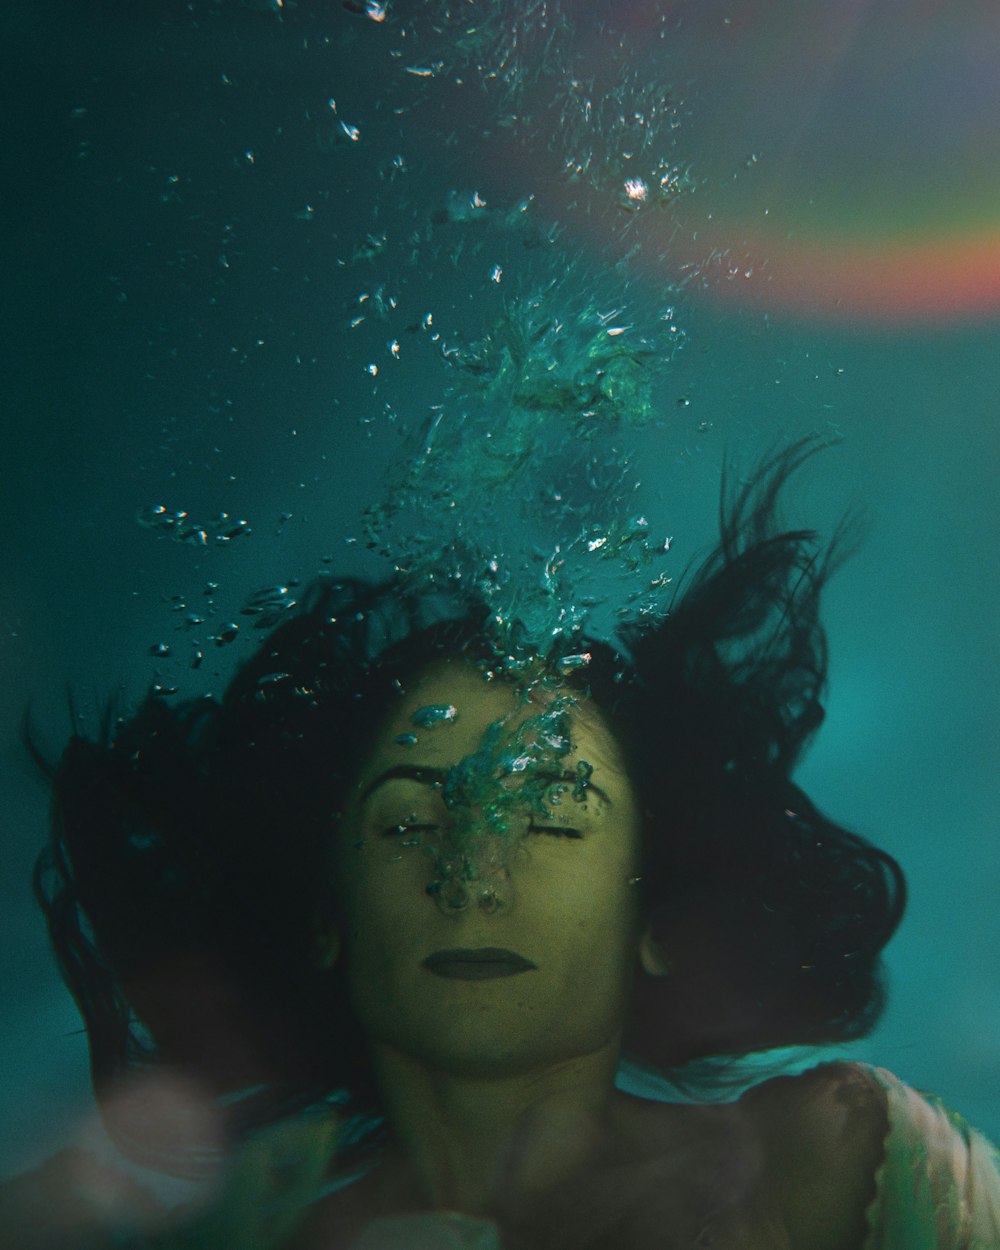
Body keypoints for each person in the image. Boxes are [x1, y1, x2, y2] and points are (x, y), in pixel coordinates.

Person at [6, 443, 1000, 1249]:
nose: (471, 873)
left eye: (556, 816)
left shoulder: (830, 1168)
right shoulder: (215, 1228)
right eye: (406, 822)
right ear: (324, 913)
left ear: (649, 916)